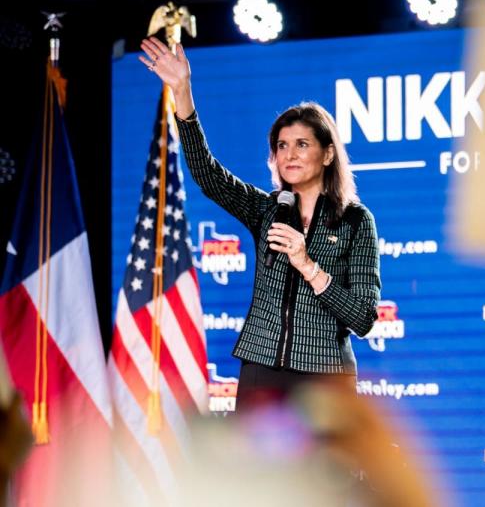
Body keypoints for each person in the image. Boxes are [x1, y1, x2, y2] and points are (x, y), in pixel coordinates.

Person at [138, 36, 381, 410]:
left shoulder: (354, 219)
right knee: (254, 471)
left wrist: (307, 264)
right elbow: (208, 175)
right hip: (261, 368)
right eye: (282, 146)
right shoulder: (266, 209)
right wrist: (183, 94)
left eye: (302, 144)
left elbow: (363, 318)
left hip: (324, 378)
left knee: (318, 473)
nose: (289, 154)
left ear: (328, 153)